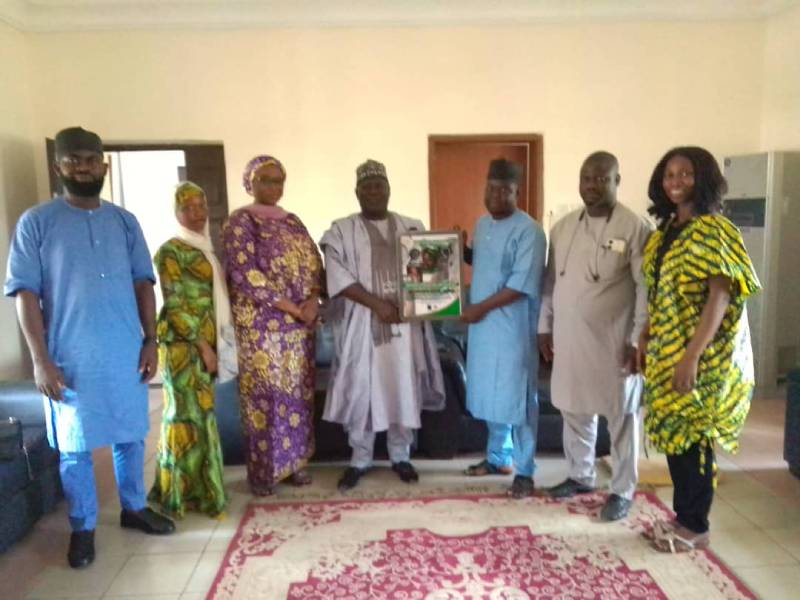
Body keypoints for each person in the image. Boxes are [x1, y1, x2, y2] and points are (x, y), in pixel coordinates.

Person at [4, 127, 175, 569]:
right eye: (73, 160)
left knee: (131, 435)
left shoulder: (124, 221)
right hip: (69, 355)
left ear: (104, 165)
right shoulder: (36, 222)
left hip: (125, 349)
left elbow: (144, 283)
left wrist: (150, 340)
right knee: (75, 445)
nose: (83, 167)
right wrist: (41, 360)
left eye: (91, 159)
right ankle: (82, 527)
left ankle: (134, 508)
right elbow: (25, 293)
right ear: (58, 166)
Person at [638, 146, 760, 552]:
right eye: (670, 174)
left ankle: (696, 526)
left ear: (703, 178)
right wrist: (648, 332)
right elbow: (661, 292)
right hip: (666, 351)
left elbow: (719, 298)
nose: (676, 181)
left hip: (704, 357)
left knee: (695, 439)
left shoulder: (715, 232)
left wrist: (691, 356)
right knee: (676, 437)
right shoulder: (664, 234)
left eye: (686, 173)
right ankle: (682, 518)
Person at [320, 159, 445, 491]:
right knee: (362, 389)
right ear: (357, 192)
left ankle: (400, 455)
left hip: (405, 328)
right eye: (367, 187)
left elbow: (431, 275)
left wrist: (426, 297)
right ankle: (359, 459)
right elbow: (336, 274)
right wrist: (377, 305)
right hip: (363, 324)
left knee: (403, 385)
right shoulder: (342, 230)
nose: (374, 192)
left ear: (389, 190)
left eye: (379, 186)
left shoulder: (412, 226)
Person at [539, 151, 651, 520]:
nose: (593, 185)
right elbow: (550, 284)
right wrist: (544, 327)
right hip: (570, 339)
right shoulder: (562, 228)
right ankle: (580, 475)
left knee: (622, 414)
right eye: (587, 178)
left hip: (614, 340)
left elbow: (645, 287)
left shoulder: (635, 227)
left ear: (617, 181)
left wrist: (637, 339)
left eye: (602, 179)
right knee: (574, 410)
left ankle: (622, 489)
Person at [222, 155, 322, 496]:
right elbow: (245, 274)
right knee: (265, 399)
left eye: (279, 180)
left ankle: (295, 464)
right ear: (249, 183)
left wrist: (313, 301)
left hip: (299, 329)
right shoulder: (241, 221)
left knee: (297, 397)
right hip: (261, 329)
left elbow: (315, 264)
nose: (273, 186)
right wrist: (293, 307)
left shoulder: (293, 221)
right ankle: (265, 471)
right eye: (265, 179)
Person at [147, 182, 237, 518]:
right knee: (183, 417)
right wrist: (203, 347)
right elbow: (175, 304)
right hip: (184, 347)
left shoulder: (207, 248)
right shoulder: (171, 251)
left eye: (201, 206)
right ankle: (179, 494)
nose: (197, 213)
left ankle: (204, 490)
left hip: (206, 343)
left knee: (202, 416)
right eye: (188, 208)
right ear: (177, 212)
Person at [462, 158, 546, 498]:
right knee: (490, 394)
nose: (496, 196)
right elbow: (485, 261)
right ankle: (498, 458)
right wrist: (459, 249)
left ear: (517, 192)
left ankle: (525, 471)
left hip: (513, 331)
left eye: (505, 190)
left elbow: (520, 284)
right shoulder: (482, 224)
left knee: (518, 400)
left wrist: (479, 308)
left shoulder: (530, 231)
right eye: (491, 189)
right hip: (483, 331)